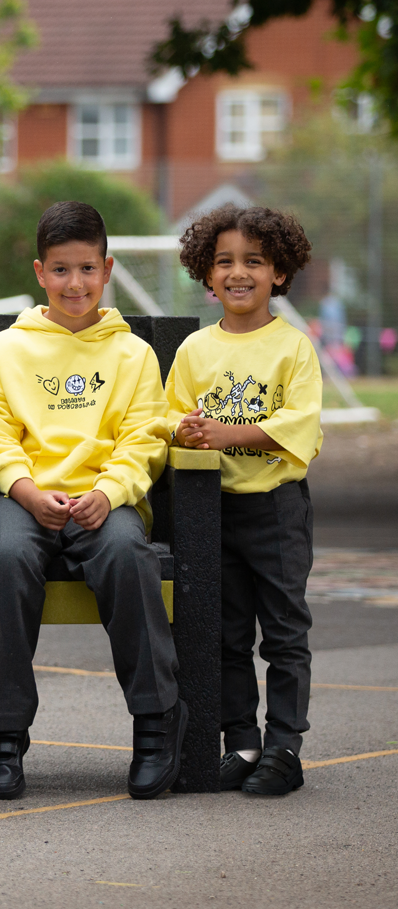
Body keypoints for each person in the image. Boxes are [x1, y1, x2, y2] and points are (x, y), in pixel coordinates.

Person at [0, 201, 184, 802]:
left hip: (104, 500)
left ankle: (156, 722)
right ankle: (5, 733)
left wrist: (108, 493)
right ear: (40, 273)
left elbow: (145, 438)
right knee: (6, 558)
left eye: (87, 269)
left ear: (106, 269)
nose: (75, 283)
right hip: (15, 496)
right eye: (60, 270)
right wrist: (26, 489)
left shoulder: (133, 354)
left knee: (128, 555)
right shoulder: (7, 349)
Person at [168, 204, 319, 796]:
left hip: (276, 508)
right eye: (224, 261)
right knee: (226, 635)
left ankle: (284, 748)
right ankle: (243, 743)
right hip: (212, 511)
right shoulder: (194, 350)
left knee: (283, 632)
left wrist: (227, 433)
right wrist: (183, 430)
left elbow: (300, 425)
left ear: (278, 273)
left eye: (254, 261)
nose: (238, 272)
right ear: (207, 274)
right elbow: (169, 416)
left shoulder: (293, 348)